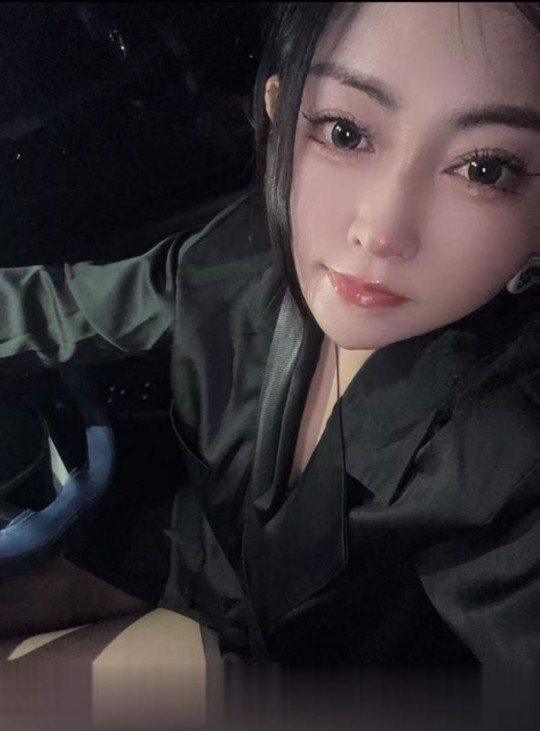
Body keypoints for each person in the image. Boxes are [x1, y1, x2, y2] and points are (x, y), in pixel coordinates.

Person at [0, 1, 539, 725]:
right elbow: (70, 307)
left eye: (485, 168)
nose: (380, 229)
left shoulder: (509, 457)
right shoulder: (248, 250)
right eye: (346, 132)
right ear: (281, 114)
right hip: (195, 557)